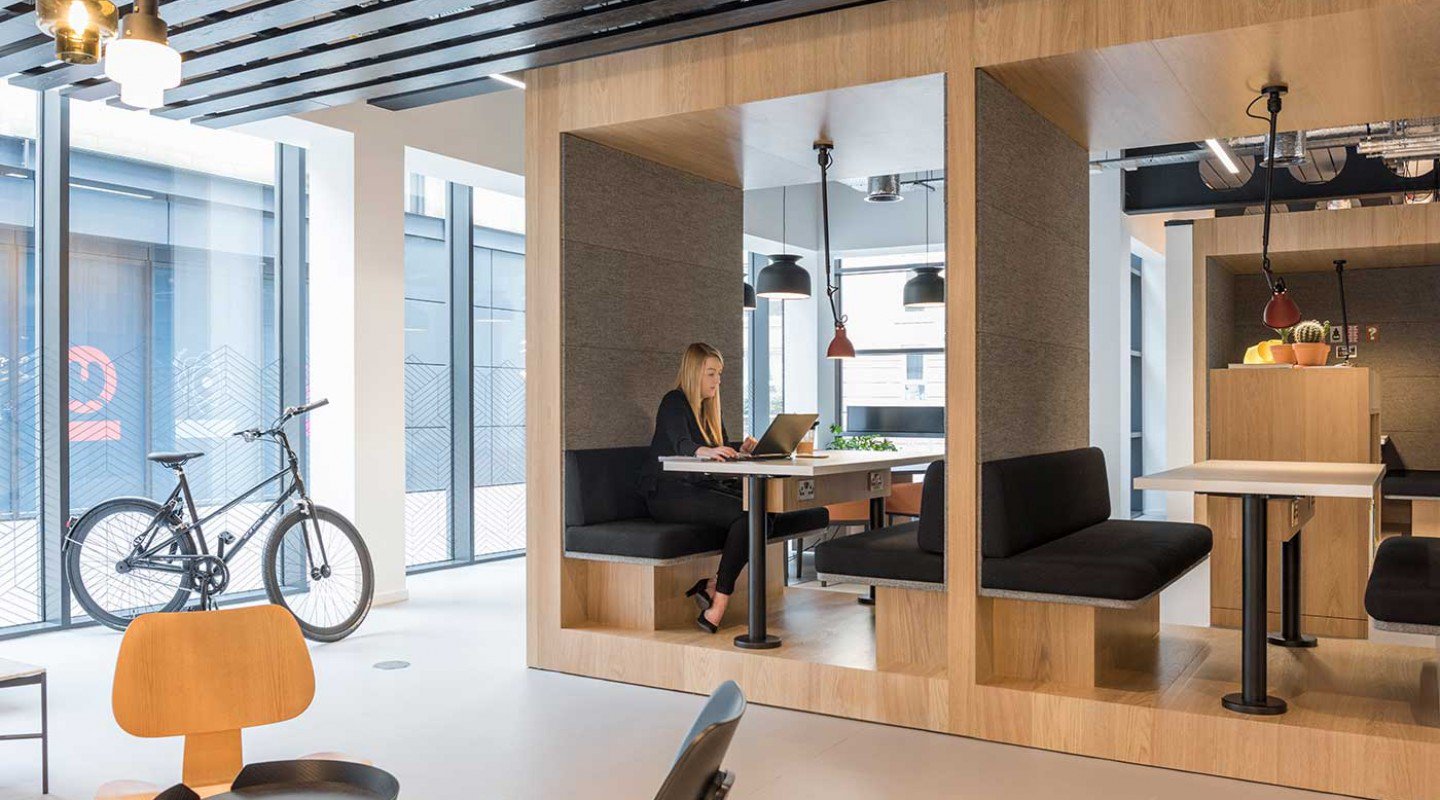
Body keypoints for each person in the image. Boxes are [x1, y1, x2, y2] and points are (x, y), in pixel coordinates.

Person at [639, 342, 757, 632]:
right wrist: (701, 451)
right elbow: (683, 443)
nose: (718, 380)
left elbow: (716, 446)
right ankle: (718, 604)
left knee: (763, 505)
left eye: (720, 374)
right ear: (694, 373)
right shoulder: (673, 402)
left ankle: (714, 584)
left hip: (697, 488)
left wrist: (736, 448)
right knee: (747, 514)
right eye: (711, 374)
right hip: (668, 494)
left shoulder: (708, 409)